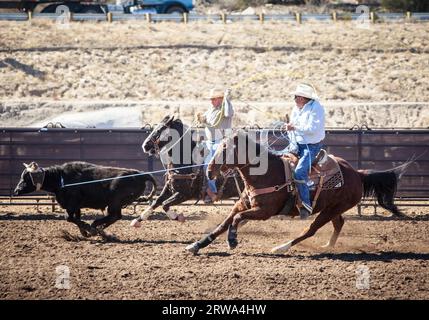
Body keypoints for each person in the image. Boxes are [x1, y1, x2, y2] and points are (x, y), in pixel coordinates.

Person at [284, 83, 325, 219]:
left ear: (302, 98)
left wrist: (294, 127)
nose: (294, 99)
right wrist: (290, 132)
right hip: (297, 144)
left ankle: (306, 205)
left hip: (312, 146)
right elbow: (293, 127)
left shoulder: (316, 108)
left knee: (300, 172)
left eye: (296, 97)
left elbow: (312, 128)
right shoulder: (296, 108)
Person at [196, 87, 234, 203]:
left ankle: (212, 192)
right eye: (211, 99)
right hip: (209, 142)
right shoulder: (211, 109)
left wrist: (227, 99)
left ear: (220, 99)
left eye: (214, 99)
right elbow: (206, 120)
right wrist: (201, 118)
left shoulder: (225, 108)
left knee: (209, 166)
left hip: (220, 142)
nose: (211, 101)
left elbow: (228, 113)